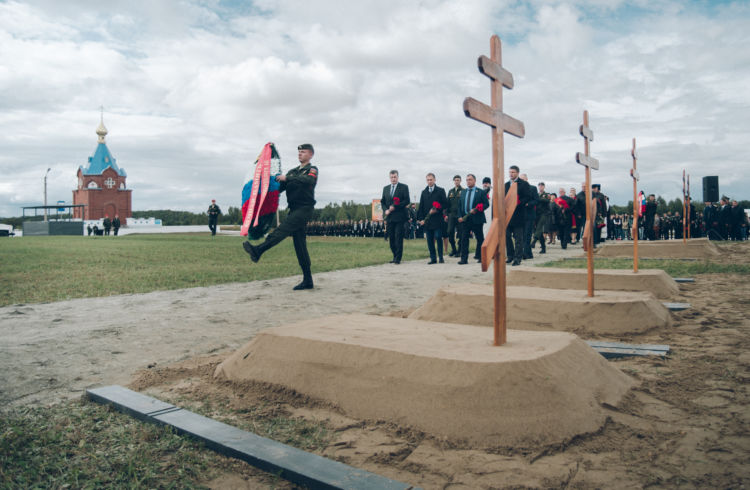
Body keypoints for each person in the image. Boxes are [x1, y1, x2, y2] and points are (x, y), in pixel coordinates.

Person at [243, 143, 319, 290]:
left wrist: (287, 179)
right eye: (299, 152)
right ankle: (308, 280)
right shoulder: (292, 172)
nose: (300, 154)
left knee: (282, 230)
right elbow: (279, 188)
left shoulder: (312, 170)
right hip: (294, 209)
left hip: (304, 209)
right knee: (300, 246)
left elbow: (309, 181)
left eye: (303, 152)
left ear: (310, 155)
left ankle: (258, 250)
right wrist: (264, 185)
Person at [417, 173, 448, 264]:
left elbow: (445, 204)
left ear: (434, 180)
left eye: (431, 179)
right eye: (428, 180)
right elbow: (421, 207)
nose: (429, 181)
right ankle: (433, 258)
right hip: (427, 221)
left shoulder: (440, 190)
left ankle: (441, 257)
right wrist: (420, 219)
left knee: (438, 237)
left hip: (437, 220)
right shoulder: (424, 192)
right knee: (430, 240)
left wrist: (438, 209)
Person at [457, 174, 489, 264]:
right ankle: (464, 259)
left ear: (474, 181)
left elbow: (486, 204)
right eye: (467, 180)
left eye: (470, 180)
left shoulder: (481, 192)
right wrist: (459, 216)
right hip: (465, 219)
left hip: (477, 219)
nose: (468, 181)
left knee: (480, 239)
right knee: (464, 239)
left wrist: (478, 209)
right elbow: (459, 206)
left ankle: (482, 257)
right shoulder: (463, 192)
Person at [381, 170, 410, 264]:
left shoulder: (404, 187)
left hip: (400, 217)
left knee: (398, 237)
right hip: (389, 217)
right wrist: (385, 209)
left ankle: (398, 258)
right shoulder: (385, 188)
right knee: (391, 238)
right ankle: (394, 256)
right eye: (391, 177)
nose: (393, 179)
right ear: (390, 178)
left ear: (398, 177)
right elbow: (382, 202)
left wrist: (395, 206)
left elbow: (407, 201)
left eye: (395, 177)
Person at [504, 165, 531, 266]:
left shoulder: (523, 184)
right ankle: (510, 256)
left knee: (518, 238)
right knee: (506, 236)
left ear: (517, 173)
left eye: (513, 172)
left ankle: (517, 258)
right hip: (507, 216)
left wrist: (519, 202)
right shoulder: (506, 185)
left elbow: (528, 197)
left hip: (518, 215)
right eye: (510, 172)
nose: (511, 174)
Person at [519, 174, 537, 259]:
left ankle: (525, 254)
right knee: (522, 235)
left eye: (523, 179)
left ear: (527, 179)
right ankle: (529, 254)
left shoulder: (533, 188)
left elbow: (536, 200)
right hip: (520, 215)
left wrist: (528, 204)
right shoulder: (518, 189)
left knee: (527, 235)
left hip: (529, 215)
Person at [445, 175, 463, 257]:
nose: (456, 181)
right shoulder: (450, 191)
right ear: (453, 181)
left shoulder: (463, 191)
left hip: (460, 216)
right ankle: (454, 249)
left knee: (461, 233)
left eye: (458, 180)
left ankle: (459, 250)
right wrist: (446, 215)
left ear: (460, 181)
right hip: (451, 215)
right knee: (449, 232)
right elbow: (447, 204)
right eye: (455, 180)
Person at [531, 182, 549, 253]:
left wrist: (538, 198)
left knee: (539, 227)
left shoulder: (546, 194)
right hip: (537, 214)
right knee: (539, 231)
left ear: (544, 187)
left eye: (542, 186)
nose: (541, 187)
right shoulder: (537, 194)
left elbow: (547, 201)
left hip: (544, 214)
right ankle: (543, 248)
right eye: (540, 186)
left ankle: (534, 241)